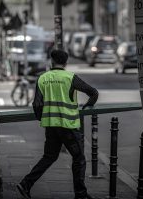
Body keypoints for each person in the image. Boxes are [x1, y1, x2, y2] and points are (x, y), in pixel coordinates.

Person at [17, 49, 99, 199]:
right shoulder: (70, 77)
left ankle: (25, 184)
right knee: (79, 158)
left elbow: (36, 104)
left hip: (51, 126)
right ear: (66, 63)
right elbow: (93, 92)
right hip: (68, 126)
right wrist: (87, 107)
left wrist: (42, 118)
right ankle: (81, 195)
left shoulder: (43, 78)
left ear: (51, 61)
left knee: (49, 157)